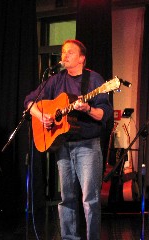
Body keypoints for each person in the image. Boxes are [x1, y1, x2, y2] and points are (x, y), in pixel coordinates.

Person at [24, 39, 113, 240]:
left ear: (82, 58)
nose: (64, 56)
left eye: (70, 52)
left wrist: (87, 108)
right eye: (63, 52)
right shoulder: (55, 80)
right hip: (62, 145)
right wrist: (42, 117)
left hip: (87, 146)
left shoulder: (94, 80)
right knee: (66, 198)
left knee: (90, 199)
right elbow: (29, 102)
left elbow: (104, 114)